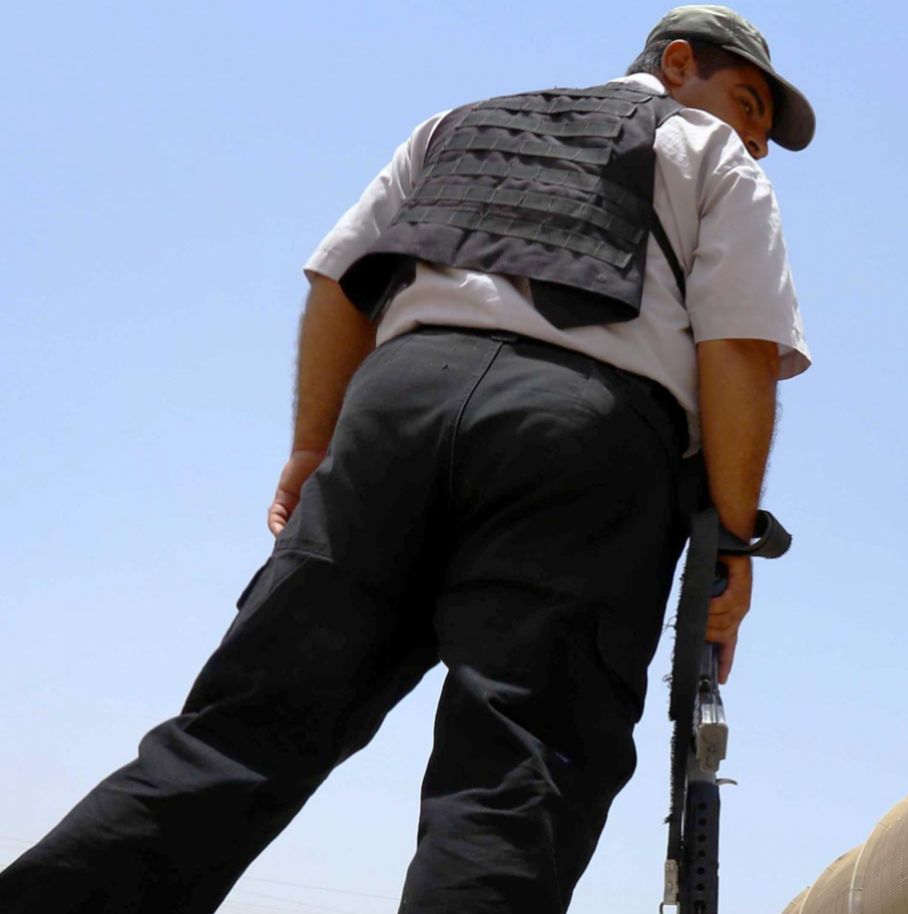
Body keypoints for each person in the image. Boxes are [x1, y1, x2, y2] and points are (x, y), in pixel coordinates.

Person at [0, 5, 813, 912]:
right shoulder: (710, 154)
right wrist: (732, 546)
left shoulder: (459, 124)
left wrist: (315, 447)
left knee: (235, 737)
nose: (756, 138)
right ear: (675, 63)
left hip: (395, 411)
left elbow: (338, 280)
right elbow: (739, 352)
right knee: (516, 773)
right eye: (748, 102)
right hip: (582, 444)